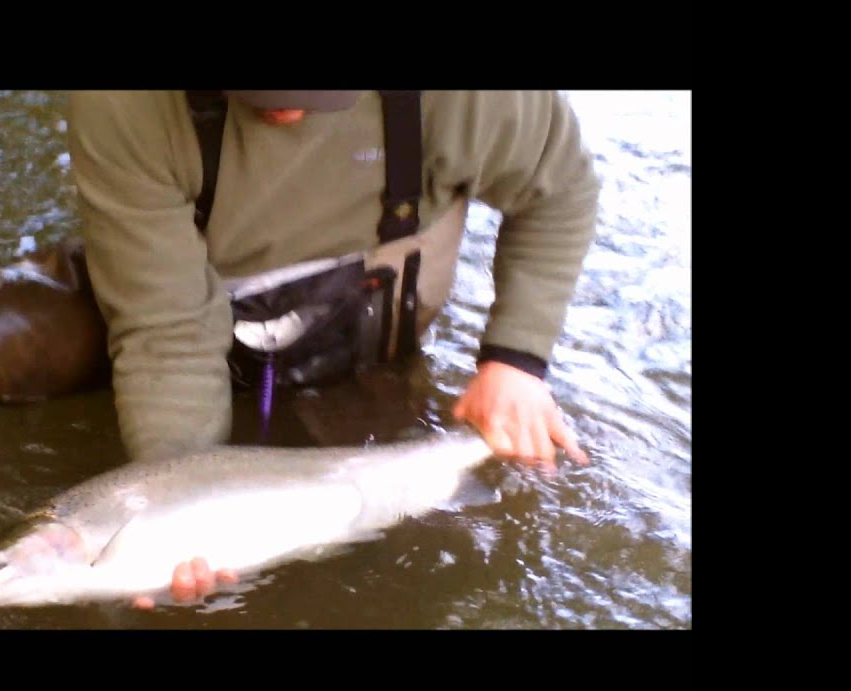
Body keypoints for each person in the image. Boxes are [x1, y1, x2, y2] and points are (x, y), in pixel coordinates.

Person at [65, 90, 600, 606]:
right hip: (169, 277)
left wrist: (515, 359)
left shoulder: (473, 99)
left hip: (365, 344)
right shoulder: (123, 102)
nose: (285, 106)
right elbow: (166, 329)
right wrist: (172, 495)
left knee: (413, 563)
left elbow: (560, 189)